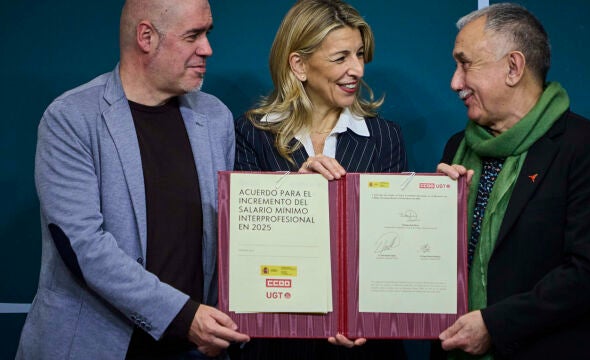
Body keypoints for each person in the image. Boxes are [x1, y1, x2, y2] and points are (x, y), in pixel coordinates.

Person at [16, 0, 250, 359]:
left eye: (207, 33)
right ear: (146, 37)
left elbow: (238, 228)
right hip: (93, 346)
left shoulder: (215, 118)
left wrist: (304, 190)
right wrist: (184, 316)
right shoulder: (70, 118)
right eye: (193, 35)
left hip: (192, 349)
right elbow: (83, 247)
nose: (208, 48)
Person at [435, 3, 590, 359]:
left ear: (513, 67)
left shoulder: (586, 148)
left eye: (465, 64)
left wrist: (495, 325)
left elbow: (589, 272)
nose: (454, 82)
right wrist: (430, 212)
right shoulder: (456, 148)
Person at [232, 0, 407, 359]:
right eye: (341, 57)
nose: (357, 69)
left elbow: (392, 251)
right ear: (299, 65)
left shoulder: (386, 137)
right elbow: (245, 248)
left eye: (359, 55)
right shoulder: (251, 133)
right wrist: (298, 191)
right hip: (279, 341)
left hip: (363, 344)